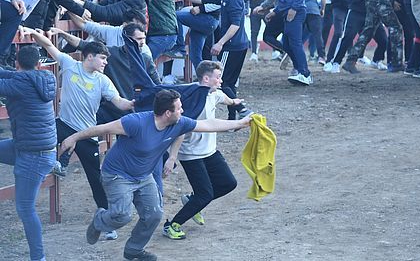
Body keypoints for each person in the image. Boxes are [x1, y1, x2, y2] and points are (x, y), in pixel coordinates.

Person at [58, 90, 252, 261]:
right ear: (168, 113)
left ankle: (134, 250)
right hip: (118, 174)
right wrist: (74, 137)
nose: (182, 111)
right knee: (122, 215)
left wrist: (240, 123)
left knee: (154, 214)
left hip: (144, 176)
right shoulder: (136, 123)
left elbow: (209, 124)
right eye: (179, 108)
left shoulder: (179, 123)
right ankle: (100, 219)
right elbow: (103, 128)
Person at [28, 31, 132, 215]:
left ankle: (106, 217)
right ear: (89, 57)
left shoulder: (103, 80)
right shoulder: (69, 64)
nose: (105, 62)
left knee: (95, 179)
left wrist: (133, 103)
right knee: (40, 134)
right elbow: (49, 45)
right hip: (64, 124)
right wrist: (31, 32)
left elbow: (119, 102)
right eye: (102, 58)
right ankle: (54, 163)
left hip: (87, 133)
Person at [162, 61, 240, 240]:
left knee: (228, 183)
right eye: (217, 77)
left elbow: (226, 99)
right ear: (206, 78)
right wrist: (172, 157)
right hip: (191, 154)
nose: (221, 81)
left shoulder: (215, 94)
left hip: (210, 151)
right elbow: (182, 129)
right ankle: (172, 225)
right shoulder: (195, 99)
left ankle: (192, 201)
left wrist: (235, 102)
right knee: (205, 194)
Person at [0, 44, 58, 261]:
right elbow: (7, 74)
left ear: (16, 62)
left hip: (33, 155)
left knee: (25, 208)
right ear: (38, 63)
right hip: (31, 149)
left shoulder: (19, 84)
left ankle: (38, 258)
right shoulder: (43, 78)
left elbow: (8, 80)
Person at [174, 0, 252, 118]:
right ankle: (233, 117)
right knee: (228, 82)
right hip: (238, 45)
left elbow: (235, 25)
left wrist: (220, 43)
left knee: (221, 82)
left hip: (232, 46)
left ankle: (241, 109)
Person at [262, 0, 311, 84]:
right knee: (289, 44)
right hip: (287, 11)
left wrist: (294, 9)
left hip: (295, 12)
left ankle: (305, 73)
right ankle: (299, 70)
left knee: (294, 43)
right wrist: (275, 12)